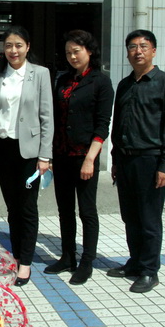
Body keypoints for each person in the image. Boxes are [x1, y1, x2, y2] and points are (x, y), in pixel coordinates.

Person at [108, 29, 165, 293]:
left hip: (150, 160)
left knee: (149, 219)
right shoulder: (124, 85)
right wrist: (115, 160)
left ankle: (150, 271)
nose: (137, 51)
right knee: (130, 217)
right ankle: (135, 262)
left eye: (143, 46)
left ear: (153, 51)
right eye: (132, 47)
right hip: (125, 160)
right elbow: (118, 125)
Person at [44, 30, 114, 285]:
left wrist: (90, 159)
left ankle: (87, 261)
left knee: (87, 210)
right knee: (64, 210)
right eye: (68, 52)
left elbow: (102, 125)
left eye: (77, 51)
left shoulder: (101, 82)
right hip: (61, 154)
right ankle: (67, 256)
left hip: (84, 155)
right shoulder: (63, 80)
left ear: (89, 51)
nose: (72, 56)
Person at [0, 25, 53, 287]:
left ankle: (25, 261)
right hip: (3, 149)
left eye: (18, 45)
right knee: (12, 207)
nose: (13, 50)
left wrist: (45, 156)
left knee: (27, 207)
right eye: (8, 45)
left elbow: (47, 117)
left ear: (27, 47)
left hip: (29, 152)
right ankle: (15, 255)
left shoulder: (40, 74)